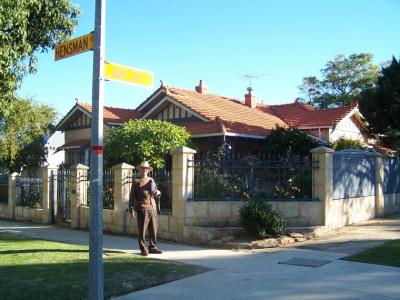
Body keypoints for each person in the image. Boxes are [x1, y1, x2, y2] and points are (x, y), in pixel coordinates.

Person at [129, 161, 163, 256]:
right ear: (140, 170)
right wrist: (131, 210)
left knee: (154, 229)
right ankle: (143, 248)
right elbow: (131, 197)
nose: (144, 170)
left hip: (153, 208)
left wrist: (158, 193)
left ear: (148, 170)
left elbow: (155, 192)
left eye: (146, 169)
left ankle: (153, 247)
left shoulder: (151, 180)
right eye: (142, 168)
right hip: (143, 208)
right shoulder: (136, 181)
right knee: (142, 230)